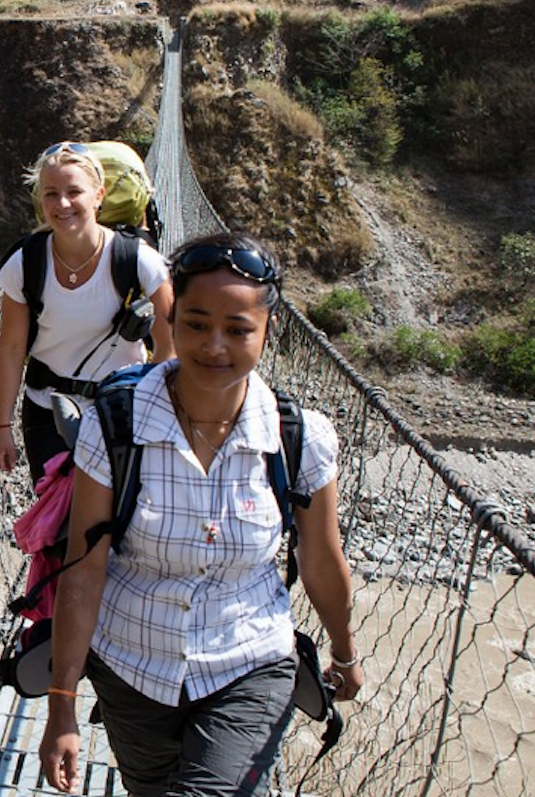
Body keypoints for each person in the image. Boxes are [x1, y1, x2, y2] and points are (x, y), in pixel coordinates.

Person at [39, 231, 364, 797]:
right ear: (170, 322)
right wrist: (62, 704)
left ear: (267, 331)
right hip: (131, 666)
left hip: (249, 661)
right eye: (194, 323)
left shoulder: (301, 439)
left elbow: (321, 560)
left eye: (238, 329)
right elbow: (84, 568)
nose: (215, 345)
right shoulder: (114, 424)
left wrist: (344, 650)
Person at [0, 141, 174, 484]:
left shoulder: (137, 259)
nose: (62, 204)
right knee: (58, 524)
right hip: (46, 412)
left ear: (98, 195)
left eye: (74, 191)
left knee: (114, 524)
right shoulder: (26, 263)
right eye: (50, 194)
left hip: (120, 412)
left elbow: (171, 341)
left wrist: (150, 408)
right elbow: (12, 348)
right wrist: (2, 426)